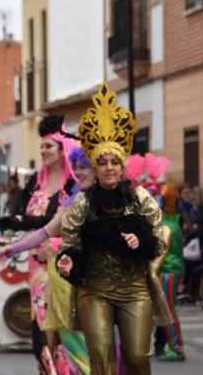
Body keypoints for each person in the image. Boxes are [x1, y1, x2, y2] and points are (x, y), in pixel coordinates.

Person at [56, 83, 171, 375]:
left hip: (134, 288)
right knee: (102, 361)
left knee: (136, 358)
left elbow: (159, 235)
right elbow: (70, 243)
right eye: (102, 162)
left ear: (122, 168)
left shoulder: (140, 197)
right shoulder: (82, 204)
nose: (109, 167)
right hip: (94, 290)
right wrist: (67, 260)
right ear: (95, 168)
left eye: (114, 162)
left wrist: (141, 241)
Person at [0, 146, 95, 375]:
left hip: (102, 287)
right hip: (68, 283)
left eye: (85, 167)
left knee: (102, 349)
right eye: (77, 167)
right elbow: (46, 232)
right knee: (73, 347)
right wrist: (12, 249)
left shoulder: (116, 203)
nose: (79, 172)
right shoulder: (74, 201)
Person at [154, 184, 186, 362]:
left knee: (168, 312)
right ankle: (174, 346)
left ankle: (177, 348)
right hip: (174, 270)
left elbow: (160, 255)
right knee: (169, 311)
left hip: (168, 271)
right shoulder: (174, 221)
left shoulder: (166, 226)